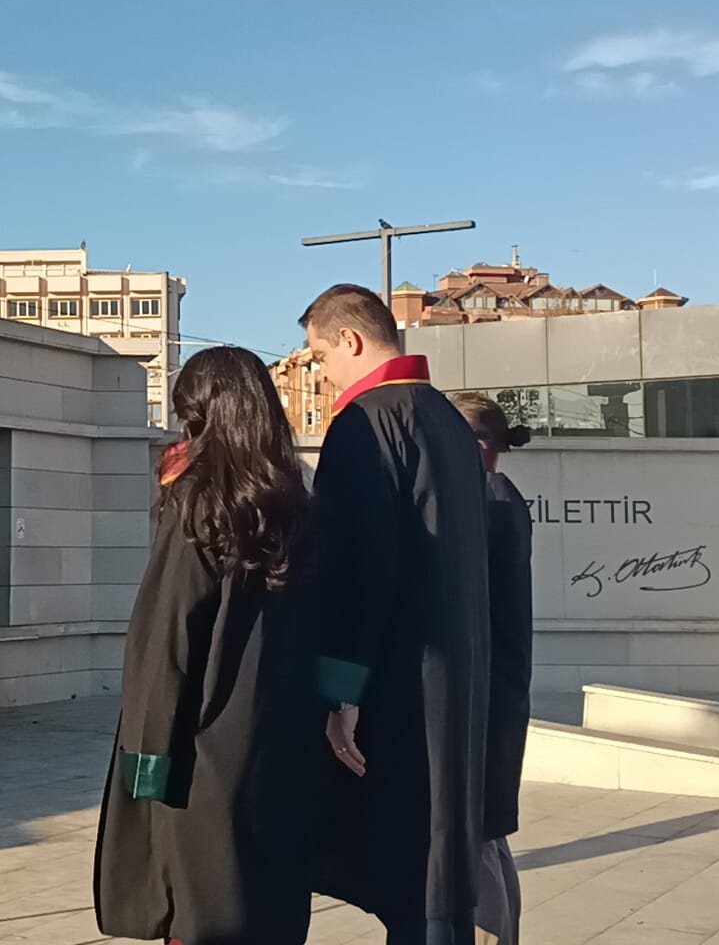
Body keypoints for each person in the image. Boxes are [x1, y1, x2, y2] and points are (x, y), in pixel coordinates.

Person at [94, 346, 315, 945]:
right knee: (271, 914)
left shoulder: (200, 499)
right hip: (280, 747)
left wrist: (146, 756)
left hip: (204, 754)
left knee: (202, 916)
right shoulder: (297, 502)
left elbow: (167, 631)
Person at [300, 284, 492, 945]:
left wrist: (340, 691)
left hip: (398, 689)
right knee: (439, 889)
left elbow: (357, 569)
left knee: (407, 875)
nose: (321, 374)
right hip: (456, 686)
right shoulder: (447, 422)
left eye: (320, 356)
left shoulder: (365, 423)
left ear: (351, 341)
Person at [451, 393, 535, 945]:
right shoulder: (502, 497)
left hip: (481, 693)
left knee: (475, 839)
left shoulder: (483, 500)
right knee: (489, 837)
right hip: (497, 689)